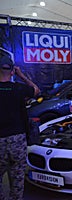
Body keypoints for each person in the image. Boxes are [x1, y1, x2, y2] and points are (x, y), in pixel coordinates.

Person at [0, 55, 40, 200]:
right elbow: (36, 91)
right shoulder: (18, 88)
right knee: (17, 179)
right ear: (12, 71)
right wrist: (21, 75)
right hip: (17, 139)